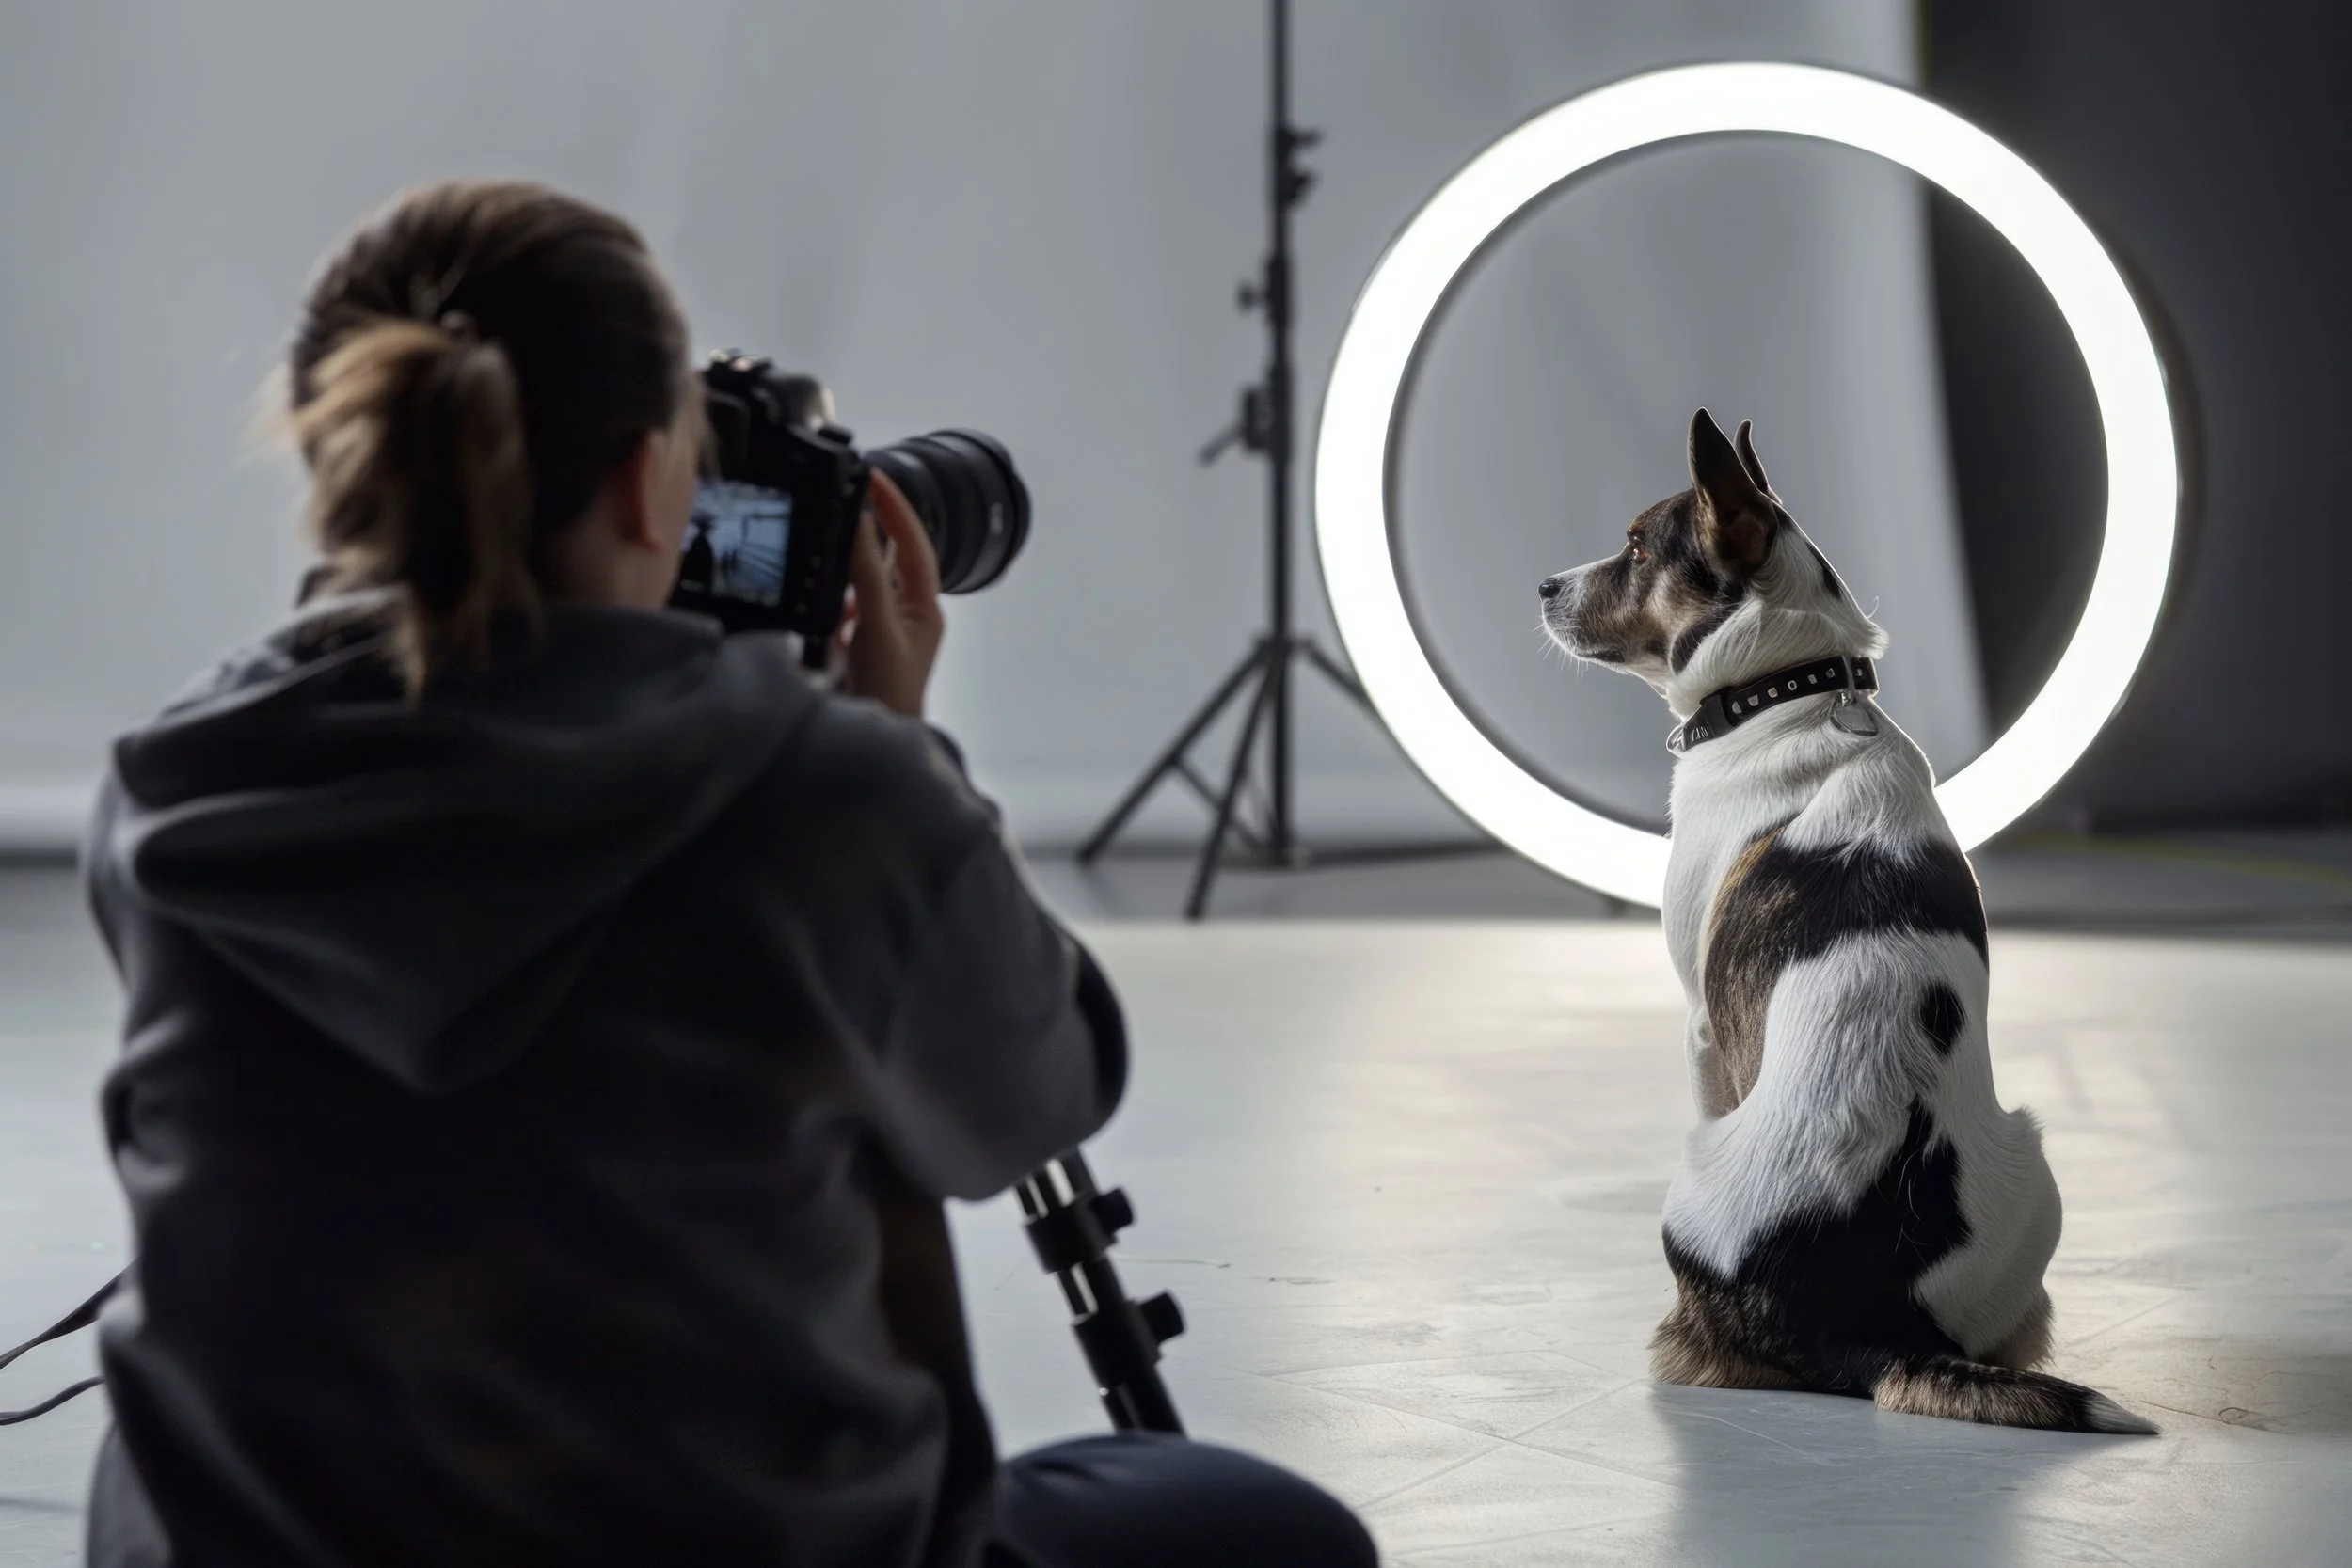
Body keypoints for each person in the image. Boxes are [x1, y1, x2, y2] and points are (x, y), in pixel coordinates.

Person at [82, 180, 1375, 1568]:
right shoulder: (819, 797)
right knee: (1274, 1532)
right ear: (650, 482)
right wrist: (904, 756)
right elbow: (1039, 1094)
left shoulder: (167, 790)